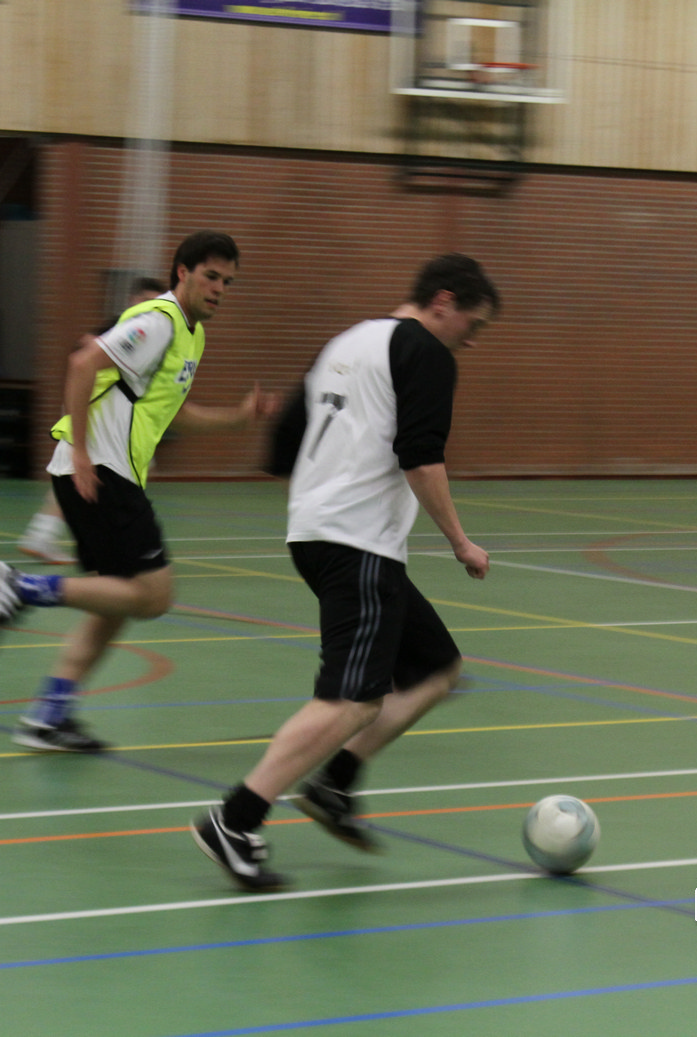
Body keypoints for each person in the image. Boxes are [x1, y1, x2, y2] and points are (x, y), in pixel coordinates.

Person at [191, 253, 498, 891]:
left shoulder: (346, 341)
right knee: (352, 701)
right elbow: (420, 457)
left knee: (436, 668)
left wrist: (321, 498)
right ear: (444, 301)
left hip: (317, 532)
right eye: (473, 324)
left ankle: (336, 782)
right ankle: (234, 820)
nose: (472, 340)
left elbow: (286, 438)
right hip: (357, 543)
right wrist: (461, 542)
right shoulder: (427, 353)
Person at [0, 232, 280, 752]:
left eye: (227, 282)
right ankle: (23, 588)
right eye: (211, 276)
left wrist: (237, 418)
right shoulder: (158, 321)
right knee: (154, 596)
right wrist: (80, 451)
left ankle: (48, 717)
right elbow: (83, 364)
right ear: (182, 272)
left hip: (108, 471)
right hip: (101, 470)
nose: (219, 289)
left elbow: (174, 414)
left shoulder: (190, 336)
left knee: (113, 606)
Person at [16, 276, 167, 564]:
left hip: (113, 419)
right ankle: (54, 535)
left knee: (79, 476)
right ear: (133, 301)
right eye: (146, 301)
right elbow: (83, 351)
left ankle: (43, 532)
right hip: (96, 415)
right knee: (88, 475)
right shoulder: (124, 329)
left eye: (156, 303)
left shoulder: (149, 334)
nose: (150, 307)